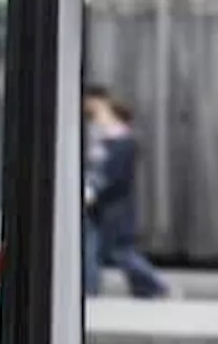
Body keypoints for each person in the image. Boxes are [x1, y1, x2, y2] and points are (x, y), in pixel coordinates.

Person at [82, 84, 172, 299]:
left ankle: (154, 285)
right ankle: (91, 289)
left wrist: (92, 190)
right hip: (101, 203)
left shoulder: (123, 142)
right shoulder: (104, 139)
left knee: (120, 251)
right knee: (92, 248)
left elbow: (112, 174)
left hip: (113, 205)